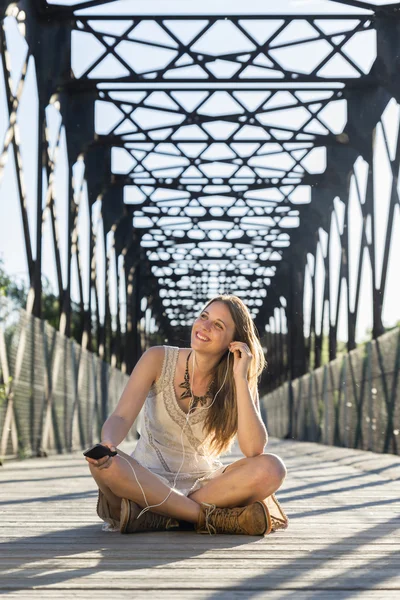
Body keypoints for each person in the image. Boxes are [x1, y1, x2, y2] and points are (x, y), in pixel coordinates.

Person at [86, 294, 288, 535]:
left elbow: (254, 450)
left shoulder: (238, 376)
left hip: (203, 485)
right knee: (107, 465)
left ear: (233, 342)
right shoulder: (158, 358)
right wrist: (109, 441)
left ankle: (161, 516)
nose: (204, 326)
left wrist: (240, 379)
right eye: (204, 316)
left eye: (218, 325)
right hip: (146, 479)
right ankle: (205, 517)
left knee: (272, 468)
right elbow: (120, 417)